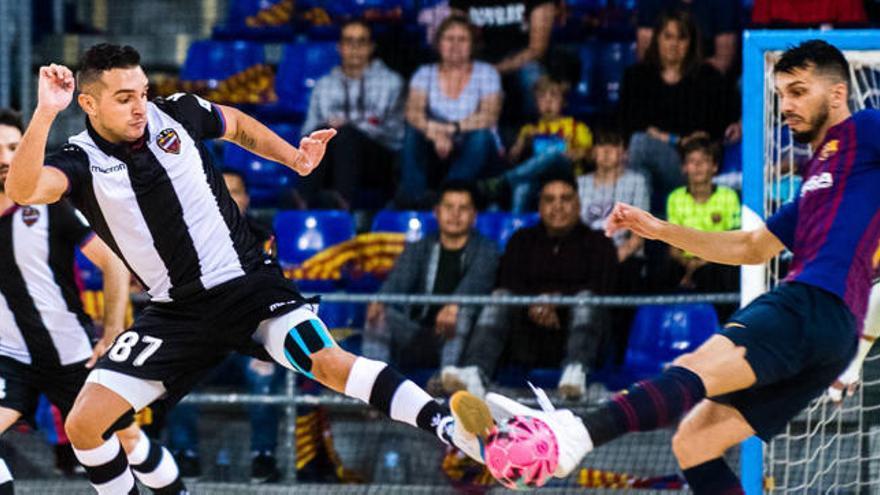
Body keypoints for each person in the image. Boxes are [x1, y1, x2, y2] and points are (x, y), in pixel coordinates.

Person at [6, 43, 490, 494]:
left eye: (143, 93)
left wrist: (295, 158)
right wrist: (47, 110)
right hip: (176, 311)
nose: (139, 107)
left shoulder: (175, 112)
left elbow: (234, 124)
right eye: (124, 98)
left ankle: (448, 426)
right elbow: (26, 189)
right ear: (88, 105)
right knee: (85, 424)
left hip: (248, 286)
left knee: (326, 360)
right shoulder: (80, 160)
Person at [458, 40, 880, 492]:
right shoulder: (821, 177)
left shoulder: (865, 127)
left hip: (813, 303)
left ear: (838, 94)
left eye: (798, 91)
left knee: (694, 368)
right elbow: (752, 246)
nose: (787, 105)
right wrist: (659, 229)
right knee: (694, 443)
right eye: (781, 94)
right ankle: (575, 433)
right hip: (833, 336)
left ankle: (574, 435)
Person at [0, 108, 186, 494]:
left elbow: (114, 261)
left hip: (71, 355)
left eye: (14, 147)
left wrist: (114, 331)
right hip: (10, 357)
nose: (5, 158)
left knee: (128, 440)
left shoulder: (50, 205)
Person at [442, 174, 618, 400]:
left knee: (586, 299)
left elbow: (603, 286)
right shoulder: (521, 240)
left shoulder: (599, 243)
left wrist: (558, 300)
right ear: (539, 206)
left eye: (565, 199)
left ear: (578, 204)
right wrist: (535, 303)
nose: (558, 206)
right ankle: (475, 371)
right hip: (527, 336)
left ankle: (576, 373)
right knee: (501, 296)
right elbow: (507, 281)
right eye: (549, 200)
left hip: (579, 335)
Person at [165, 170, 284, 482]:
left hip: (248, 338)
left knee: (266, 373)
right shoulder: (187, 234)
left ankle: (263, 455)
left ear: (246, 199)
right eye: (223, 190)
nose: (230, 198)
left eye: (237, 191)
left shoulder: (262, 236)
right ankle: (184, 453)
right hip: (204, 340)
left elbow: (270, 289)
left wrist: (263, 348)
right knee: (176, 371)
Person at [364, 181, 499, 388]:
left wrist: (454, 306)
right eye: (448, 207)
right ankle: (376, 389)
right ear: (437, 212)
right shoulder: (420, 247)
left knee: (459, 314)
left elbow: (477, 283)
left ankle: (446, 385)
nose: (455, 214)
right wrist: (380, 300)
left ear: (474, 215)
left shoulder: (487, 250)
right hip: (420, 331)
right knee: (379, 312)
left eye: (463, 208)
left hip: (462, 337)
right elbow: (396, 283)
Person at [619, 10, 739, 215]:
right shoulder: (636, 77)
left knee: (640, 145)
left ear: (691, 43)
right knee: (640, 176)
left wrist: (660, 135)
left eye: (682, 37)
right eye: (668, 36)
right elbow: (627, 124)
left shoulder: (708, 78)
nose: (674, 44)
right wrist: (674, 139)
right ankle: (645, 238)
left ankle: (640, 234)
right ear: (657, 38)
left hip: (691, 165)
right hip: (650, 159)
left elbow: (721, 126)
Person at [396, 15, 502, 209]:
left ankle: (447, 198)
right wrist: (434, 133)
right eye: (449, 39)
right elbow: (413, 113)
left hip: (477, 150)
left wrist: (452, 129)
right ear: (438, 43)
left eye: (462, 39)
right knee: (412, 130)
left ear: (473, 44)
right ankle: (414, 200)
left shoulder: (487, 73)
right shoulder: (424, 73)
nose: (455, 45)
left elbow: (488, 115)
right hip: (436, 147)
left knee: (481, 136)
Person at [298, 19, 405, 209]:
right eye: (349, 42)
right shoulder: (324, 85)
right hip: (332, 158)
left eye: (361, 42)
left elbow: (394, 132)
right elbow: (307, 129)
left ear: (371, 47)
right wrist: (326, 131)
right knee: (318, 139)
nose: (355, 48)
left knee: (346, 135)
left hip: (378, 161)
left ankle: (341, 204)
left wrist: (346, 126)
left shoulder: (391, 82)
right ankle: (301, 205)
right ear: (340, 47)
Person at [479, 76, 593, 213]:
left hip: (566, 177)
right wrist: (522, 142)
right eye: (542, 97)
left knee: (553, 153)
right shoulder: (529, 130)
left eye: (554, 96)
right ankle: (515, 225)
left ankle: (504, 182)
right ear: (536, 102)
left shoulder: (577, 127)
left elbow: (590, 155)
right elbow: (512, 159)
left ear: (563, 102)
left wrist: (576, 153)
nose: (548, 102)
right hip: (539, 180)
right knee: (523, 186)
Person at [449, 0, 556, 124]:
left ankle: (536, 130)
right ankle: (463, 134)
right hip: (481, 56)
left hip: (523, 57)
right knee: (455, 74)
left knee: (532, 77)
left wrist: (496, 69)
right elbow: (456, 35)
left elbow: (537, 49)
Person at [663, 137, 740, 297]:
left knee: (721, 272)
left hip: (718, 260)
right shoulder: (675, 198)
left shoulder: (729, 196)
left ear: (714, 167)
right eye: (692, 161)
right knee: (664, 269)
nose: (697, 166)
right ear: (684, 167)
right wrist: (689, 264)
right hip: (684, 262)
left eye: (703, 161)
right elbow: (673, 248)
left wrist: (701, 263)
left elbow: (733, 240)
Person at [635, 0, 740, 75]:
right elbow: (645, 57)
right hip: (661, 83)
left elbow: (724, 62)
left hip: (707, 86)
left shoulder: (724, 3)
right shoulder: (649, 2)